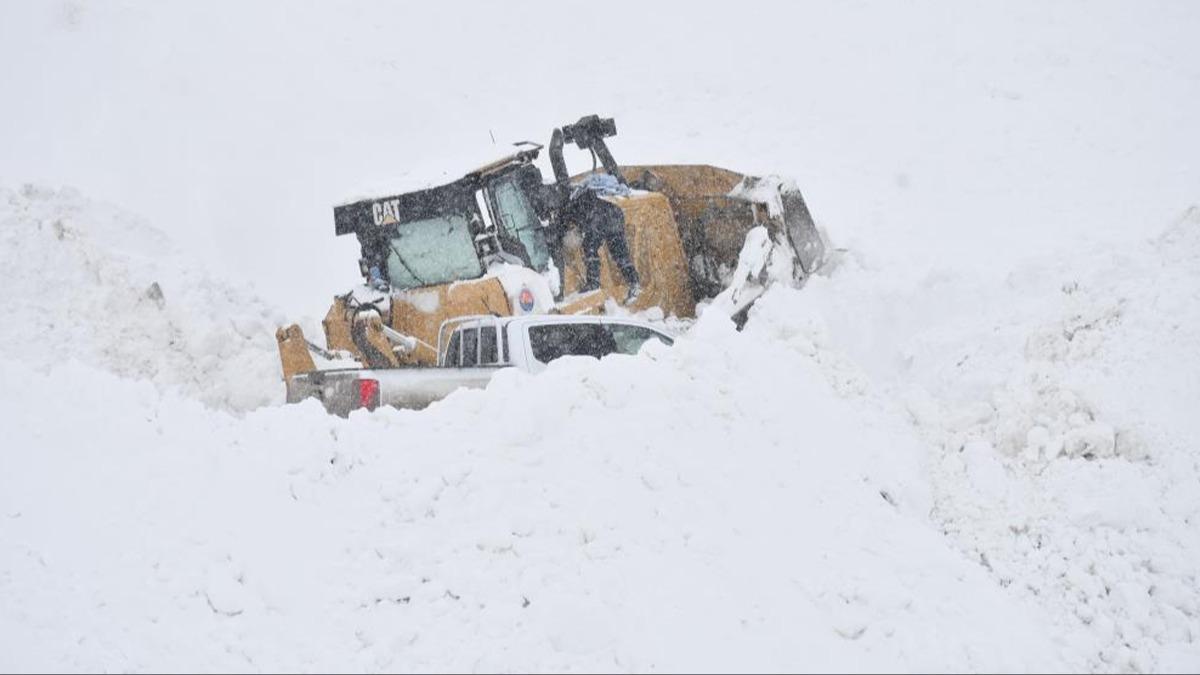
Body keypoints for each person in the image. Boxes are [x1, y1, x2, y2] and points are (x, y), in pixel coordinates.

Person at [540, 176, 642, 304]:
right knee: (619, 253)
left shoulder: (567, 213)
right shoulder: (571, 203)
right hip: (614, 213)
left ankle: (593, 283)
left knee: (590, 248)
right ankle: (634, 282)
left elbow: (567, 234)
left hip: (599, 216)